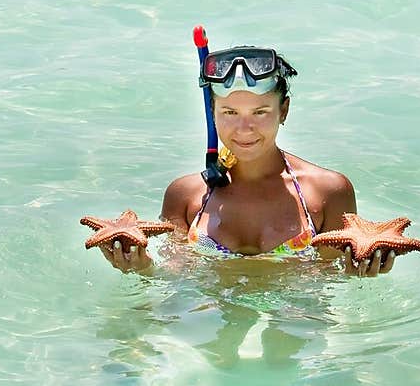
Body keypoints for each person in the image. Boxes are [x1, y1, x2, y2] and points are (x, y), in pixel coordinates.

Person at [98, 43, 397, 279]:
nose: (244, 129)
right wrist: (141, 267)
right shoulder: (185, 195)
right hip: (205, 333)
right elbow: (176, 278)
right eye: (230, 113)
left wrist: (355, 275)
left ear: (284, 111)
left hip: (295, 335)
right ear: (212, 113)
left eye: (260, 112)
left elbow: (326, 282)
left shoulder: (328, 191)